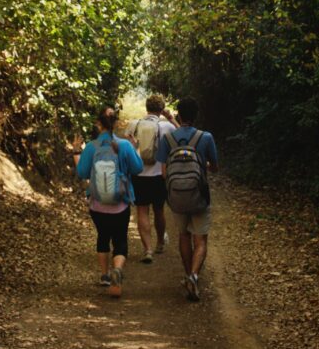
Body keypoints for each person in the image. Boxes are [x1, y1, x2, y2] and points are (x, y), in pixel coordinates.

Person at [75, 105, 143, 297]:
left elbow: (81, 173)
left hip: (97, 205)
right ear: (116, 123)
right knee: (120, 239)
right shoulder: (125, 146)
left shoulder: (91, 147)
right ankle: (118, 270)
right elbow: (137, 169)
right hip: (120, 204)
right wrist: (135, 149)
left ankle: (105, 275)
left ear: (98, 123)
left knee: (103, 237)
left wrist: (75, 151)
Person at [156, 97, 218, 302]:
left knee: (183, 235)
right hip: (200, 196)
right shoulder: (206, 137)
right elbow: (215, 167)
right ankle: (194, 275)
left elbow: (164, 173)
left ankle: (187, 274)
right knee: (200, 239)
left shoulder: (168, 139)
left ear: (179, 115)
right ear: (196, 115)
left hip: (177, 198)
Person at [123, 95, 177, 263]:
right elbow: (183, 135)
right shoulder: (167, 127)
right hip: (159, 175)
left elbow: (128, 146)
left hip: (138, 174)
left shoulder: (134, 124)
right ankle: (160, 242)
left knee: (142, 211)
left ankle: (147, 250)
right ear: (161, 110)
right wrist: (171, 118)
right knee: (159, 210)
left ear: (146, 108)